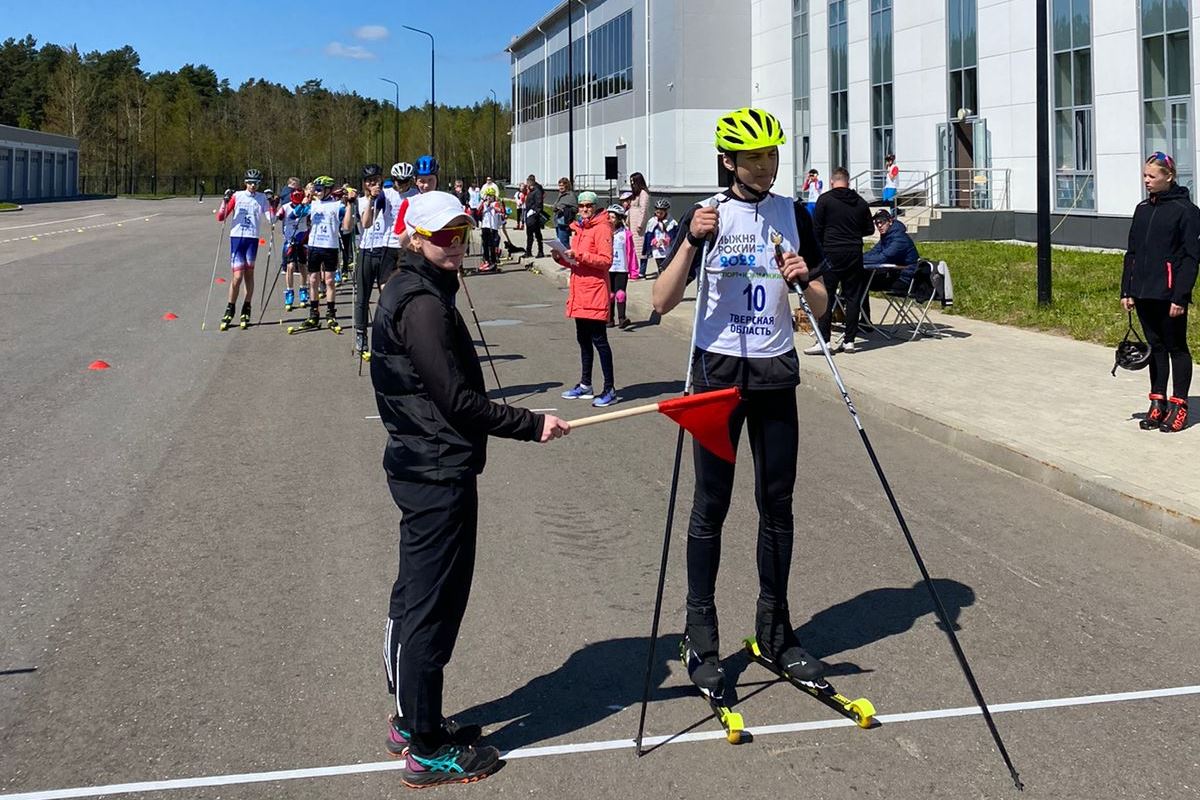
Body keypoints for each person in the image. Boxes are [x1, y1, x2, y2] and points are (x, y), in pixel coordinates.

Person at [371, 190, 570, 789]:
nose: (456, 242)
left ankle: (415, 718)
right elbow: (455, 400)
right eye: (444, 234)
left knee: (418, 594)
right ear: (414, 238)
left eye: (462, 231)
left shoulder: (421, 290)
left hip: (425, 463)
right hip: (435, 470)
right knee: (431, 604)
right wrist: (532, 424)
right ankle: (424, 744)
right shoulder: (422, 305)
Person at [650, 107, 829, 707]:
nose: (768, 165)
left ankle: (775, 630)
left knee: (777, 503)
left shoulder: (794, 212)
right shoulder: (705, 213)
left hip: (775, 370)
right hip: (717, 371)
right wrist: (692, 243)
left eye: (774, 154)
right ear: (728, 161)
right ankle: (700, 637)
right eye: (755, 157)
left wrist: (807, 280)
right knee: (712, 506)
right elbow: (661, 299)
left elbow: (824, 307)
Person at [1121, 151, 1198, 433]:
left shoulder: (1186, 211)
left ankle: (1180, 406)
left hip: (1169, 295)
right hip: (1142, 292)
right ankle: (1158, 402)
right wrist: (1127, 290)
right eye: (1145, 175)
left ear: (1169, 176)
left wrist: (1181, 295)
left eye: (1152, 176)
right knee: (1155, 348)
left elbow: (1191, 258)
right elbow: (1131, 253)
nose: (1147, 181)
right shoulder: (1142, 209)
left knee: (1176, 348)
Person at [558, 190, 617, 407]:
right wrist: (561, 257)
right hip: (580, 292)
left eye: (588, 206)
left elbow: (605, 261)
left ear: (595, 207)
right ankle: (585, 384)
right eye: (581, 206)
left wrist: (579, 255)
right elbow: (576, 262)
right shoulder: (580, 228)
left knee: (599, 341)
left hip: (594, 292)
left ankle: (610, 388)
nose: (584, 209)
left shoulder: (601, 228)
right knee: (583, 341)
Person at [811, 166, 873, 354]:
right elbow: (869, 230)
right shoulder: (860, 202)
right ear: (849, 182)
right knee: (853, 296)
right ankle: (850, 341)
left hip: (831, 252)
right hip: (854, 252)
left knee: (827, 296)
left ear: (832, 182)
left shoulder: (825, 200)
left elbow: (816, 229)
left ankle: (824, 341)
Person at [215, 168, 272, 330]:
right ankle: (230, 307)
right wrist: (225, 200)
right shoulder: (237, 196)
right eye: (250, 183)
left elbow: (272, 219)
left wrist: (272, 202)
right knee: (237, 276)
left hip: (252, 239)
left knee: (248, 274)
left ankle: (246, 308)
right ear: (245, 183)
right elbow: (221, 217)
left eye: (256, 183)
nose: (253, 186)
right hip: (237, 238)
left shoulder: (261, 198)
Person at [296, 175, 343, 330]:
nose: (316, 192)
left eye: (319, 189)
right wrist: (304, 203)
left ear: (328, 190)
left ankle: (331, 313)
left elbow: (349, 219)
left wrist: (350, 204)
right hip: (314, 245)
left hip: (330, 246)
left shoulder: (336, 205)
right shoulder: (313, 204)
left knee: (329, 280)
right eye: (315, 189)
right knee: (314, 280)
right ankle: (313, 314)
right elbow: (296, 214)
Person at [353, 163, 387, 358]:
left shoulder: (388, 197)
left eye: (376, 180)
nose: (373, 183)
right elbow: (366, 224)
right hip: (366, 250)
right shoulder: (360, 201)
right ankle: (361, 333)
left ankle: (385, 333)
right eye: (369, 181)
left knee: (387, 295)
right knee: (362, 297)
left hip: (384, 250)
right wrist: (371, 200)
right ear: (364, 184)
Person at [863, 209, 920, 292]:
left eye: (881, 222)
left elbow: (882, 258)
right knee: (859, 278)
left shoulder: (899, 239)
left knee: (861, 280)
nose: (879, 226)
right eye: (876, 223)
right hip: (894, 274)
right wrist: (856, 257)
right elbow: (873, 252)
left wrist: (856, 259)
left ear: (890, 221)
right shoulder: (886, 237)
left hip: (906, 279)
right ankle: (857, 304)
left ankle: (856, 305)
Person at [276, 184, 311, 311]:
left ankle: (303, 289)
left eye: (299, 195)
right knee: (290, 266)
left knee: (302, 265)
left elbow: (308, 215)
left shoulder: (306, 207)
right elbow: (277, 217)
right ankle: (289, 292)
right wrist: (273, 205)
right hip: (289, 239)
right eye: (295, 196)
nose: (297, 198)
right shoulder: (285, 207)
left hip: (302, 238)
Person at [607, 203, 636, 329]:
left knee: (620, 294)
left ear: (619, 219)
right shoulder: (603, 232)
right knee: (610, 294)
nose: (610, 220)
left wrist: (633, 270)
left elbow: (631, 252)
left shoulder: (626, 234)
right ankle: (609, 319)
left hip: (621, 268)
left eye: (613, 217)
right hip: (607, 268)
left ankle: (622, 318)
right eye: (608, 217)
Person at [643, 197, 678, 279]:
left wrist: (665, 241)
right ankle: (662, 280)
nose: (658, 214)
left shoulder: (671, 222)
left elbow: (674, 235)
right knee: (660, 267)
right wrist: (654, 242)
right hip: (657, 249)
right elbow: (649, 235)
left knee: (667, 266)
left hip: (667, 249)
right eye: (657, 212)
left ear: (665, 211)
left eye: (661, 213)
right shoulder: (652, 221)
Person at [627, 172, 652, 279]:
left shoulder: (643, 193)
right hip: (632, 222)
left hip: (639, 223)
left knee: (641, 248)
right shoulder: (635, 194)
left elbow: (643, 209)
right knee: (633, 247)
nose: (632, 183)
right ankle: (634, 269)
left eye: (633, 181)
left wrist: (640, 224)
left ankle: (641, 270)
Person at [478, 185, 505, 272]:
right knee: (485, 244)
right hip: (485, 226)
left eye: (491, 196)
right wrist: (483, 202)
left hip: (492, 227)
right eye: (488, 196)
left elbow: (499, 210)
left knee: (492, 245)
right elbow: (478, 209)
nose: (490, 197)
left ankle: (493, 261)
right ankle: (486, 260)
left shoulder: (495, 203)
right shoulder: (484, 203)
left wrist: (492, 206)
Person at [523, 174, 545, 258]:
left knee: (537, 234)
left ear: (530, 182)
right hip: (530, 215)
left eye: (528, 182)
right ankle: (528, 251)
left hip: (534, 216)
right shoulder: (531, 191)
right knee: (529, 234)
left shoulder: (537, 191)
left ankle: (540, 251)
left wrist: (534, 212)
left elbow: (538, 204)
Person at [553, 177, 578, 249]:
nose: (560, 187)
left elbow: (575, 209)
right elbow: (555, 206)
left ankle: (568, 258)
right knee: (559, 242)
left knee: (563, 242)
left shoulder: (571, 195)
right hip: (557, 221)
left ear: (566, 186)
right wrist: (556, 208)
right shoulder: (560, 195)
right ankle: (562, 258)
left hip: (564, 221)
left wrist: (565, 209)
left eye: (562, 186)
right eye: (559, 185)